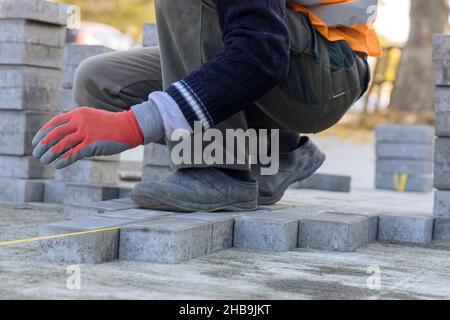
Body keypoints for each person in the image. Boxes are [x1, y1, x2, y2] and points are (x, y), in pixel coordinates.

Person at [32, 0, 381, 212]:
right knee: (98, 80)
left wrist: (133, 125)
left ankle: (218, 170)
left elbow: (261, 55)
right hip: (288, 59)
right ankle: (281, 150)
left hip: (330, 72)